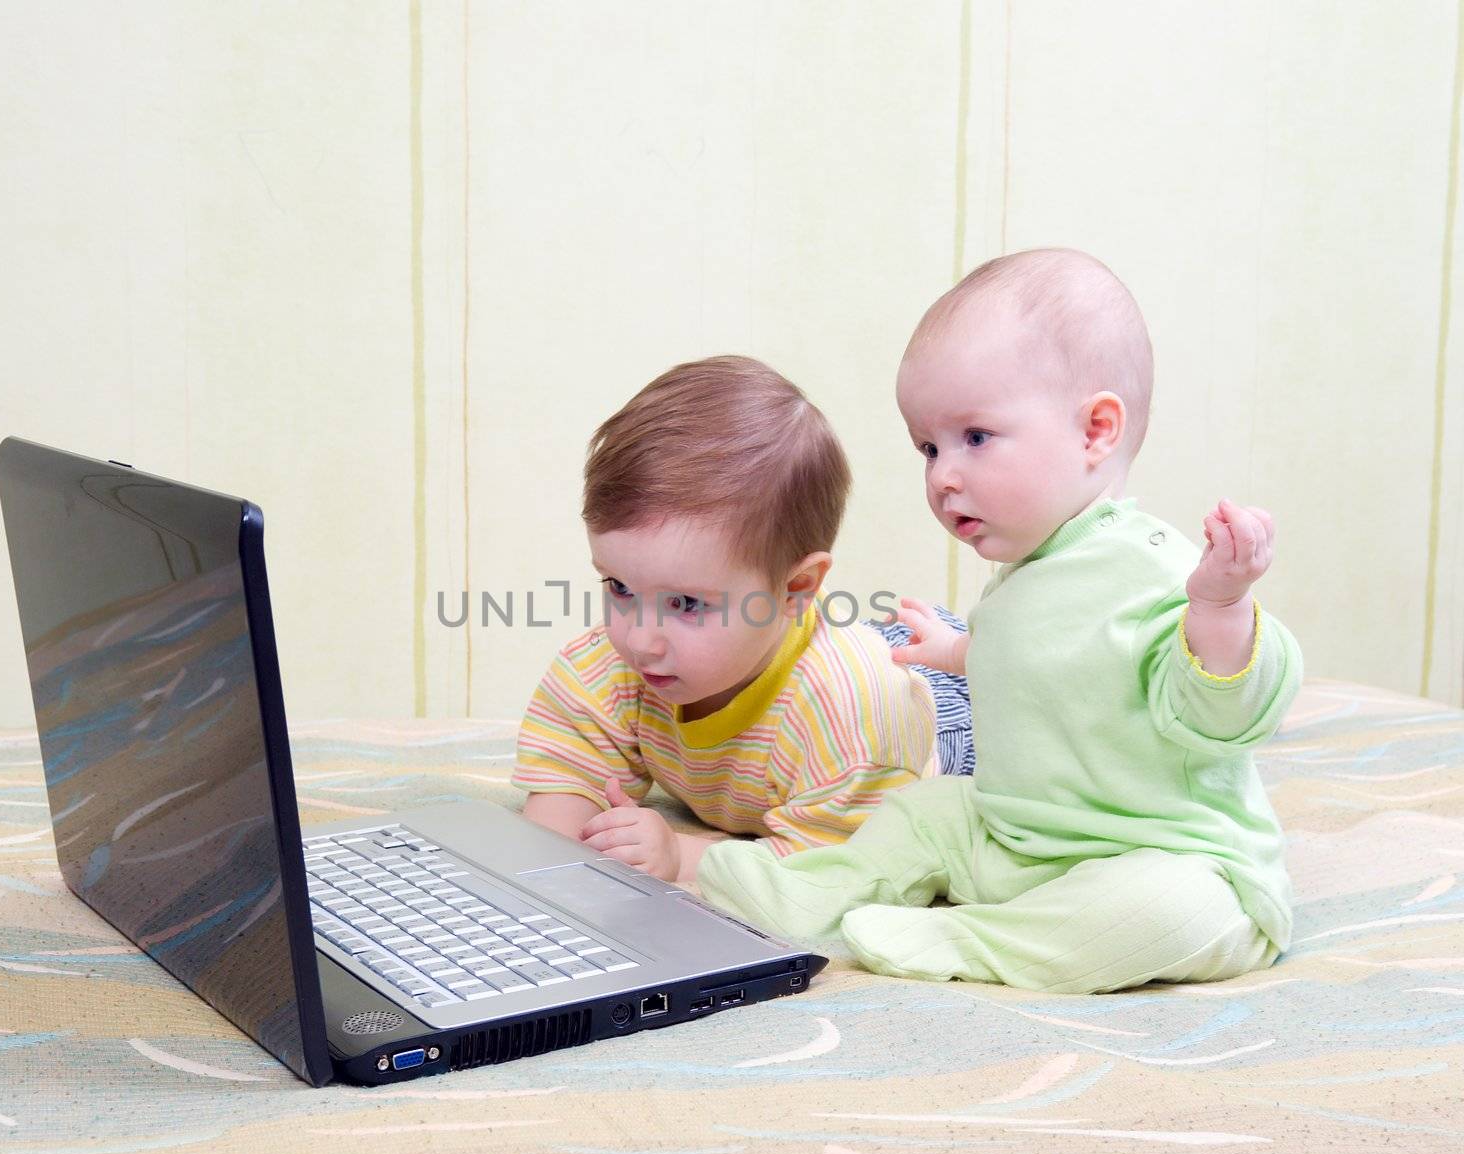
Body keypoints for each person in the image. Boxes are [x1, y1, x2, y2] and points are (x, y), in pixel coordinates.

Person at [695, 249, 1301, 993]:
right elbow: (1049, 666)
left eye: (975, 438)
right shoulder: (1032, 571)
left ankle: (974, 939)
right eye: (928, 447)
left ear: (1095, 431)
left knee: (1166, 913)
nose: (942, 475)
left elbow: (1220, 706)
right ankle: (812, 891)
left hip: (1161, 852)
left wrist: (1221, 606)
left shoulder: (1154, 571)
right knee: (923, 811)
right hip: (1019, 840)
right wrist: (956, 651)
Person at [511, 355, 945, 881]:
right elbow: (560, 801)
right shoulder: (609, 667)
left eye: (687, 604)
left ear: (797, 588)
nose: (641, 639)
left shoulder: (854, 725)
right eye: (620, 587)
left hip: (944, 704)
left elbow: (841, 871)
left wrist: (686, 857)